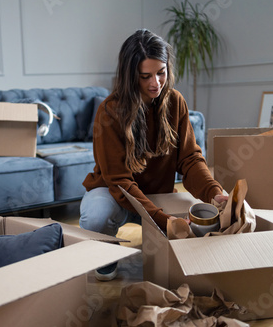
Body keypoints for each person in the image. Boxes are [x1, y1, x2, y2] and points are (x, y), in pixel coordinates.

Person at [80, 29, 227, 281]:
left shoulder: (175, 102)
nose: (155, 83)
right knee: (95, 218)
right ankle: (106, 253)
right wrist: (162, 219)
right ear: (130, 76)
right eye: (145, 76)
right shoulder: (109, 111)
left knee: (201, 213)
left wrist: (215, 192)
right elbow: (120, 182)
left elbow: (190, 159)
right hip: (114, 192)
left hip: (158, 194)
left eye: (161, 73)